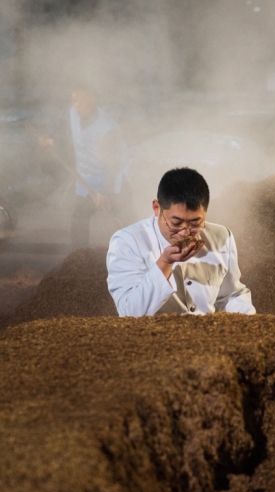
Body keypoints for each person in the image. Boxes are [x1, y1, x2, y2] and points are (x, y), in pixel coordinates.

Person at [106, 167, 256, 317]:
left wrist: (250, 323)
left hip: (210, 337)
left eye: (196, 223)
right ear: (157, 208)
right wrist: (165, 262)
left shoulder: (222, 236)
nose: (185, 232)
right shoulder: (127, 242)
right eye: (176, 223)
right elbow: (129, 312)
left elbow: (231, 295)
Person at [39, 84, 130, 249]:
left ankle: (140, 256)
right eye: (74, 100)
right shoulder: (73, 113)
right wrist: (48, 136)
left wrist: (104, 193)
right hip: (86, 178)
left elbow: (112, 165)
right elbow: (60, 121)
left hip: (113, 180)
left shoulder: (107, 128)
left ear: (92, 100)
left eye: (80, 101)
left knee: (124, 219)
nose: (76, 105)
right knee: (79, 218)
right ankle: (79, 256)